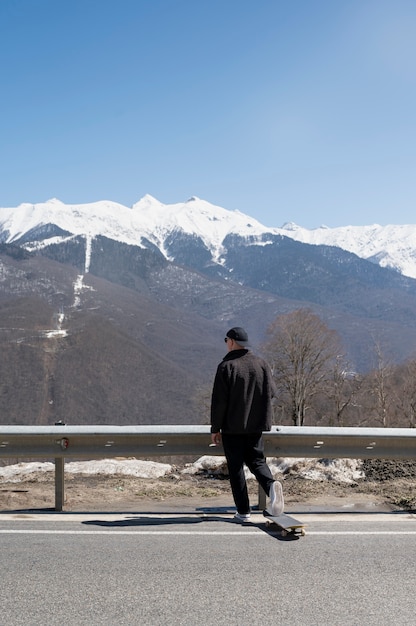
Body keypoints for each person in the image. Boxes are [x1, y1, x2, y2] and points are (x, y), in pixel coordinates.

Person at [210, 326, 284, 521]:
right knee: (257, 461)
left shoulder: (226, 367)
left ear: (232, 342)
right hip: (256, 425)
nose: (226, 343)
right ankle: (271, 487)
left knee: (236, 468)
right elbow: (272, 393)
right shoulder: (261, 364)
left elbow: (219, 402)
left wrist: (215, 428)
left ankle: (243, 511)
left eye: (226, 340)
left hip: (232, 427)